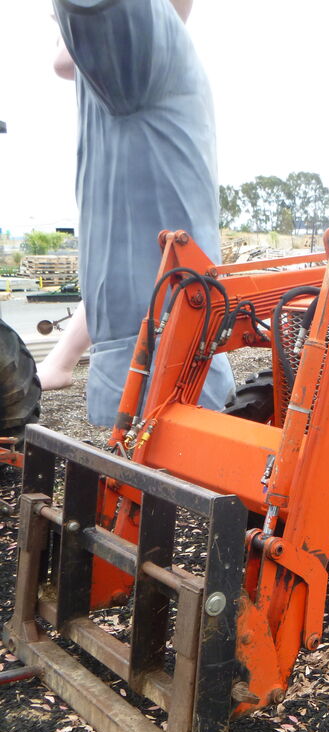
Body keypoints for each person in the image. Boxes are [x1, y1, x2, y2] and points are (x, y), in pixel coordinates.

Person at [41, 0, 234, 426]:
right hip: (158, 354)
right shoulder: (136, 70)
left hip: (151, 372)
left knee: (157, 456)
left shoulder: (140, 51)